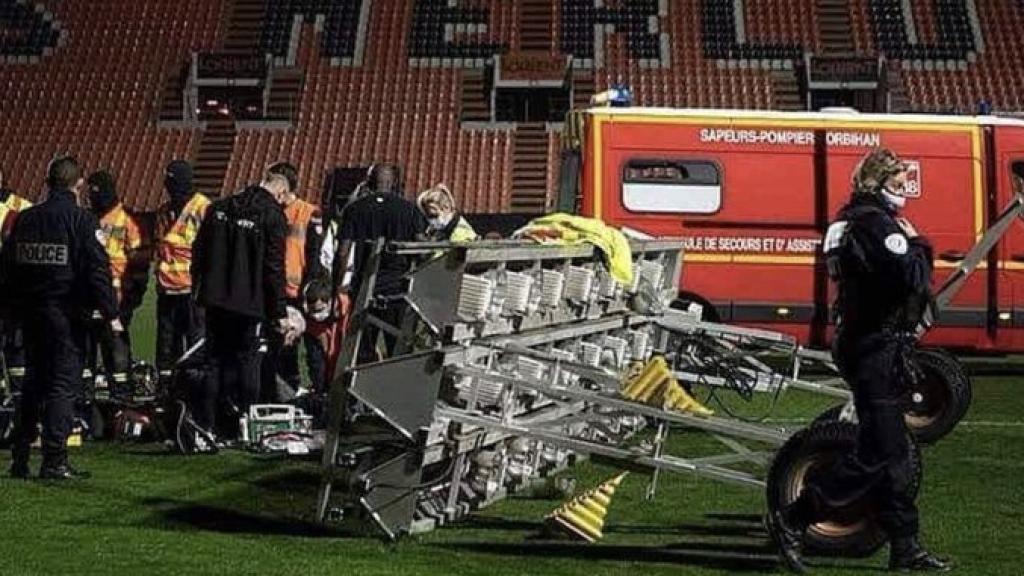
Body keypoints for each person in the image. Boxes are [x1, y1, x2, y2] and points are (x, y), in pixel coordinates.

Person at [767, 149, 949, 573]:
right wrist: (920, 242)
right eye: (901, 184)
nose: (906, 192)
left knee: (894, 453)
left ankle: (905, 545)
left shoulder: (853, 220)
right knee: (881, 450)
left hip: (867, 341)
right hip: (873, 346)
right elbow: (914, 276)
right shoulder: (875, 223)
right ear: (881, 182)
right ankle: (794, 518)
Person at [2, 154, 119, 479]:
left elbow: (8, 269)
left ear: (47, 183)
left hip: (30, 314)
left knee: (33, 384)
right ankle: (54, 459)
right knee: (62, 385)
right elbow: (98, 270)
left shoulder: (24, 219)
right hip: (65, 316)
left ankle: (20, 456)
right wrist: (111, 313)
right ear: (78, 184)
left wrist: (11, 310)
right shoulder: (81, 221)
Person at [190, 171, 290, 443]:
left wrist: (198, 288)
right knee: (249, 362)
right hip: (249, 303)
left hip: (214, 298)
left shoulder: (219, 207)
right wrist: (279, 311)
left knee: (214, 362)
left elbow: (198, 251)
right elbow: (274, 268)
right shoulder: (272, 215)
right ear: (280, 193)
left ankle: (207, 425)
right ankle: (245, 427)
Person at [332, 164, 426, 363]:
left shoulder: (355, 209)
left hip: (365, 291)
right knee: (399, 350)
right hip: (397, 291)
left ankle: (361, 391)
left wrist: (335, 289)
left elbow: (342, 253)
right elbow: (420, 249)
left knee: (362, 351)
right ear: (393, 183)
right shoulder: (409, 210)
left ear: (368, 182)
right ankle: (395, 391)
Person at [262, 162, 323, 400]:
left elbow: (314, 256)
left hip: (297, 292)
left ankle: (308, 390)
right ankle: (282, 391)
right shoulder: (269, 211)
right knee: (277, 346)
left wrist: (308, 291)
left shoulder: (309, 212)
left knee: (302, 344)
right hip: (274, 291)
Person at [83, 170, 145, 398]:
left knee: (117, 356)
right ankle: (85, 405)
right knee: (85, 357)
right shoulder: (85, 218)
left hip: (116, 303)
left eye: (94, 191)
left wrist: (131, 301)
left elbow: (139, 264)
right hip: (89, 301)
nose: (90, 196)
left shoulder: (126, 220)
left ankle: (121, 402)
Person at [154, 160, 209, 388]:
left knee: (196, 345)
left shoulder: (203, 208)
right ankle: (167, 387)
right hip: (167, 290)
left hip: (192, 291)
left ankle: (195, 388)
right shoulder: (164, 211)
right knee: (166, 346)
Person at [0, 166, 33, 397]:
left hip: (12, 289)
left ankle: (18, 397)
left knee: (15, 343)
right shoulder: (19, 209)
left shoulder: (21, 209)